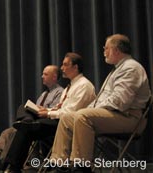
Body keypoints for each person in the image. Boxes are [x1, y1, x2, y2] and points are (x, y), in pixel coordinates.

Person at [50, 34, 151, 173]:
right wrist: (91, 108)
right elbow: (102, 101)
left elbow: (120, 102)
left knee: (83, 116)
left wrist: (90, 110)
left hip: (130, 118)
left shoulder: (131, 68)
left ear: (116, 50)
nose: (104, 51)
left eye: (106, 48)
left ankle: (81, 167)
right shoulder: (118, 69)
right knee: (67, 118)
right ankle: (59, 165)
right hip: (115, 114)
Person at [3, 52, 96, 172]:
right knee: (24, 109)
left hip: (67, 124)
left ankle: (13, 167)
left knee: (26, 129)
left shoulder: (83, 85)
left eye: (65, 64)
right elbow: (60, 108)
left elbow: (70, 112)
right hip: (58, 120)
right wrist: (46, 110)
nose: (62, 68)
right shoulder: (70, 86)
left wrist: (48, 113)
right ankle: (13, 166)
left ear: (75, 67)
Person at [0, 65, 64, 172]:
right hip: (35, 121)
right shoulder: (44, 94)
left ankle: (26, 123)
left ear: (54, 77)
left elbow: (55, 111)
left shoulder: (60, 92)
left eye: (45, 74)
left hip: (46, 123)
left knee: (21, 119)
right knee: (8, 131)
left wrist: (42, 109)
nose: (42, 76)